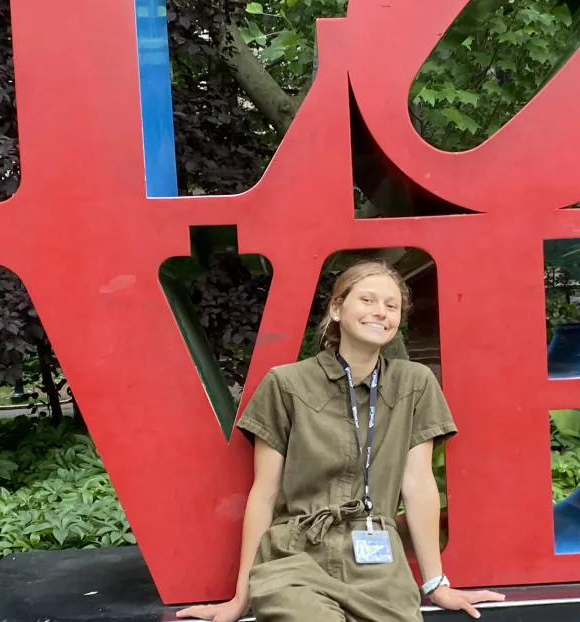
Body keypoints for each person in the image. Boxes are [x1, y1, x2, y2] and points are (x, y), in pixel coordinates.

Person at [176, 260, 505, 622]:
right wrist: (242, 597)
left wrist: (435, 584)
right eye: (367, 300)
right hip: (296, 556)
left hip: (379, 564)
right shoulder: (287, 384)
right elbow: (265, 492)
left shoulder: (415, 384)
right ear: (336, 308)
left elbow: (418, 486)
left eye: (391, 306)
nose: (380, 312)